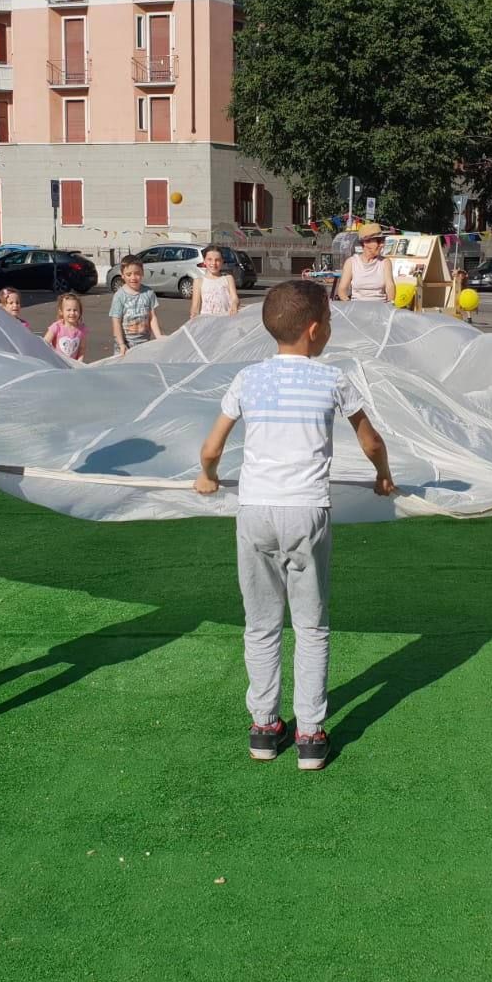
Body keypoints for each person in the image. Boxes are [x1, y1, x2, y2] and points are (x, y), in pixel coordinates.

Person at [193, 280, 395, 770]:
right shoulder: (332, 380)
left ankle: (264, 727)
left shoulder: (248, 380)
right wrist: (383, 475)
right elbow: (370, 441)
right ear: (313, 330)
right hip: (308, 512)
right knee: (311, 624)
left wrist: (208, 477)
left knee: (261, 624)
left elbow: (212, 447)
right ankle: (310, 733)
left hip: (256, 512)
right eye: (328, 320)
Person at [110, 255, 162, 354]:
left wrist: (158, 336)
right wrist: (121, 344)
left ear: (142, 273)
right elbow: (116, 322)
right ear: (123, 275)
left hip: (144, 344)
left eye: (137, 273)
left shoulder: (149, 293)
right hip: (125, 346)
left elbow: (152, 317)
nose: (133, 277)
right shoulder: (119, 296)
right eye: (129, 274)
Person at [336, 224, 396, 303]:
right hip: (357, 308)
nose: (382, 244)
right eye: (378, 241)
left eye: (382, 241)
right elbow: (342, 290)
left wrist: (389, 304)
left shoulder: (385, 262)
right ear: (366, 242)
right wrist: (349, 305)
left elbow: (390, 287)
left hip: (380, 309)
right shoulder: (351, 262)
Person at [190, 244, 240, 318]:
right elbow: (195, 306)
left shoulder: (228, 279)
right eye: (209, 259)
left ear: (222, 261)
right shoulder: (198, 281)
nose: (213, 263)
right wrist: (194, 314)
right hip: (206, 322)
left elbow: (234, 298)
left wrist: (234, 305)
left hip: (226, 320)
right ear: (204, 261)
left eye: (217, 260)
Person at [43, 293, 88, 362]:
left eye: (75, 310)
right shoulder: (56, 327)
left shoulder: (81, 329)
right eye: (68, 310)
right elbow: (44, 344)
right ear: (61, 312)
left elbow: (82, 349)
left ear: (80, 312)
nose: (72, 313)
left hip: (72, 366)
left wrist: (79, 362)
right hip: (56, 363)